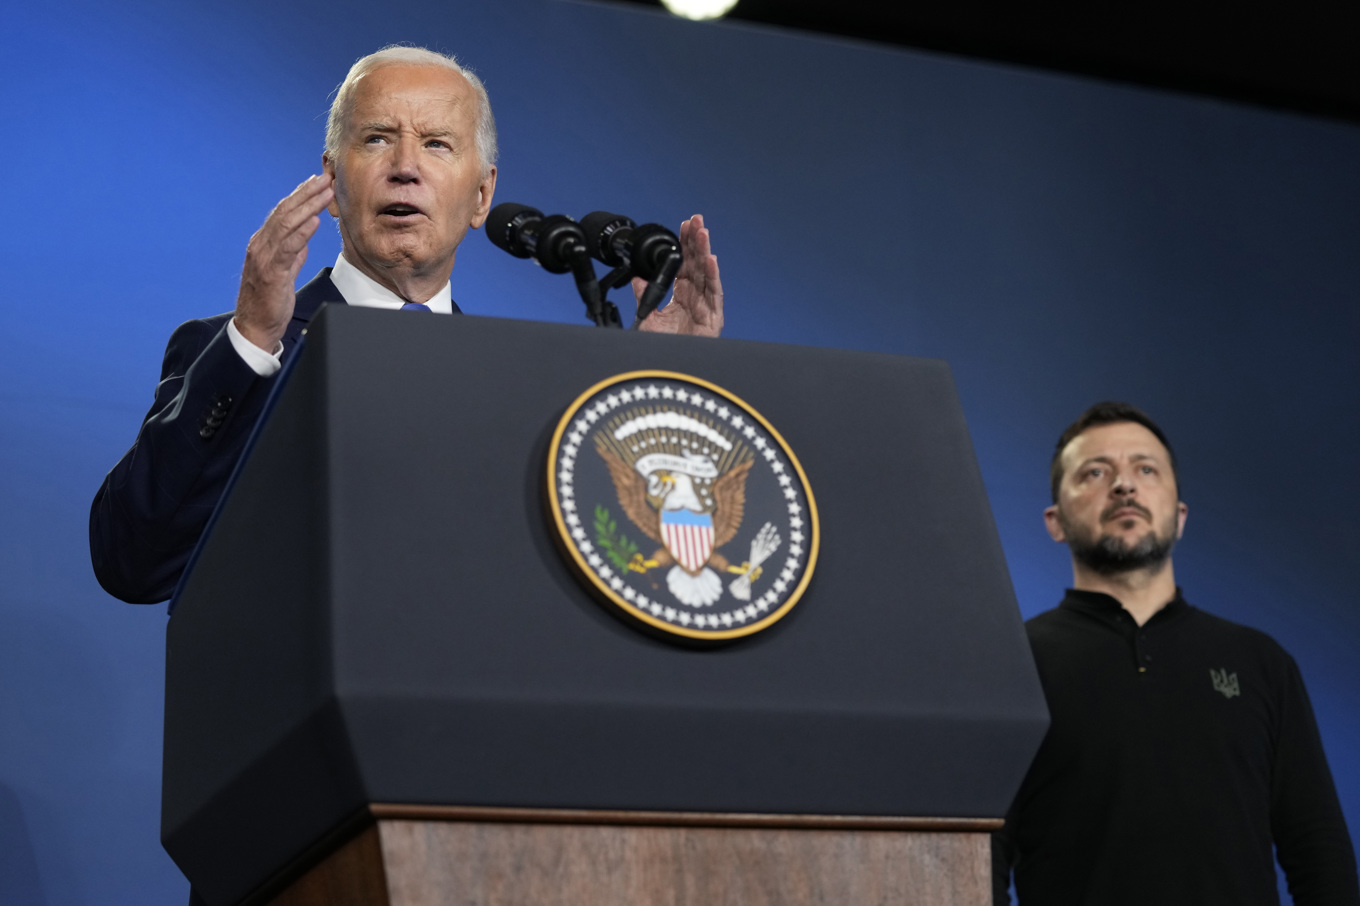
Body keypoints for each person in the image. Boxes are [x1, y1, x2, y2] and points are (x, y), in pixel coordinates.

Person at [89, 46, 724, 605]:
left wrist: (662, 396)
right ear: (333, 182)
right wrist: (255, 337)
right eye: (376, 138)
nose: (405, 166)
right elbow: (133, 563)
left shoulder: (520, 387)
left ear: (481, 196)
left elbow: (609, 571)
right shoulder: (237, 351)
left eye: (437, 143)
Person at [993, 401, 1358, 905]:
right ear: (1054, 520)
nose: (1124, 485)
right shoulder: (1012, 666)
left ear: (1180, 516)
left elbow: (1319, 852)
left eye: (1145, 469)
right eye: (1095, 472)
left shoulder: (1261, 664)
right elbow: (981, 858)